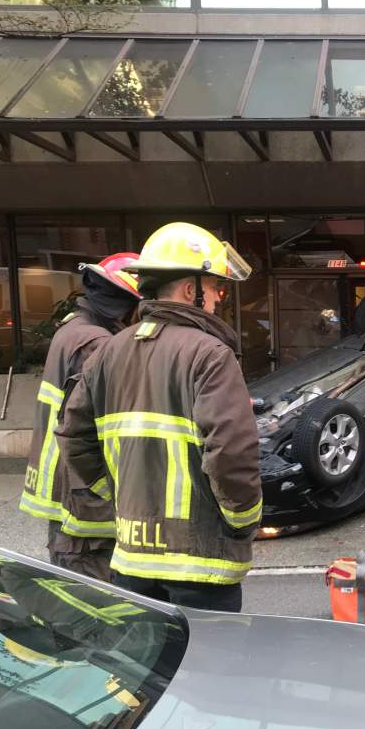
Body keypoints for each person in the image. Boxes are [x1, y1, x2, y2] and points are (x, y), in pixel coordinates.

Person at [57, 222, 262, 613]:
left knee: (149, 670)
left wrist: (118, 498)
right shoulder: (210, 355)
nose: (219, 297)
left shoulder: (108, 353)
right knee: (209, 670)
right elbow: (231, 452)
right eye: (216, 287)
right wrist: (242, 521)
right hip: (201, 563)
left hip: (132, 559)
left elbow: (73, 437)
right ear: (190, 290)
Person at [19, 254, 142, 582]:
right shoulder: (98, 344)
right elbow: (100, 427)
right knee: (98, 614)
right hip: (84, 502)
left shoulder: (74, 329)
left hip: (67, 492)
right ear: (125, 304)